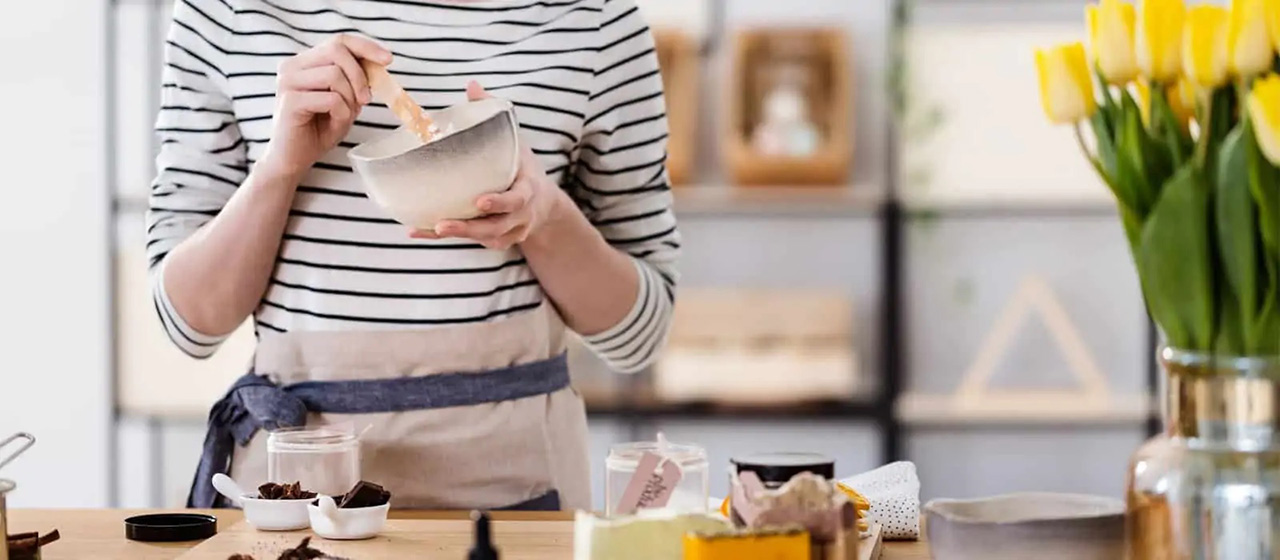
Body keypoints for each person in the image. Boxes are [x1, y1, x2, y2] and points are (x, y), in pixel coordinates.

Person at [147, 0, 679, 511]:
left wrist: (545, 215)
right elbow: (190, 322)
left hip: (518, 491)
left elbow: (639, 333)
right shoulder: (230, 10)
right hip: (297, 492)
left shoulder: (597, 19)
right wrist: (278, 168)